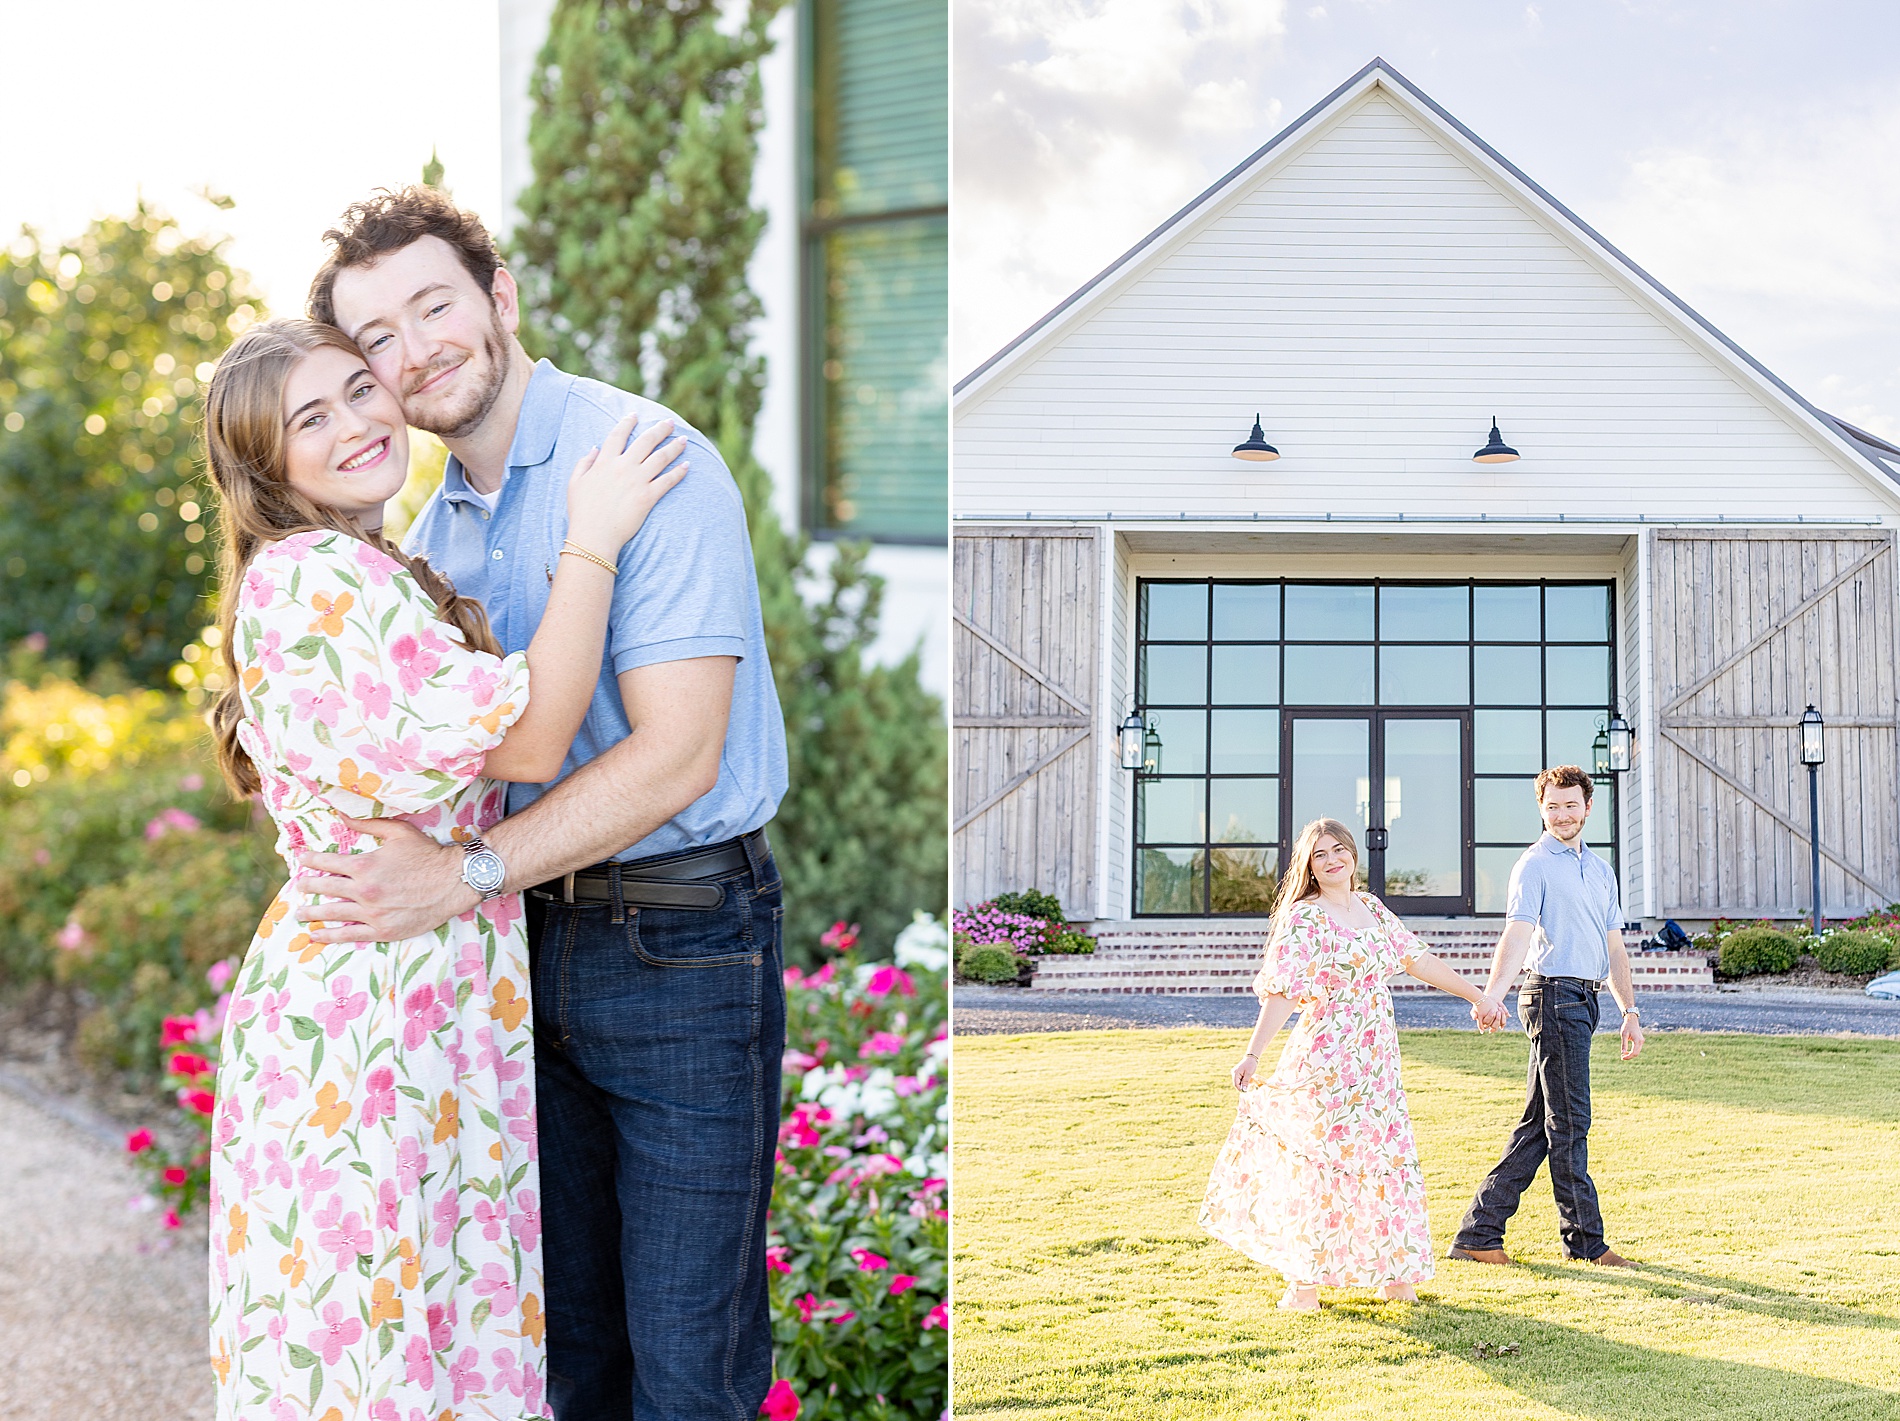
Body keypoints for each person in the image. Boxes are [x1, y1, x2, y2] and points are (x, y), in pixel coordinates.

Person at [288, 187, 791, 1420]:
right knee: (564, 1361)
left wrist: (458, 875)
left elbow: (677, 757)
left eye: (434, 306)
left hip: (677, 946)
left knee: (689, 1367)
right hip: (514, 962)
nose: (415, 351)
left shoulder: (640, 457)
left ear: (498, 297)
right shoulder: (428, 537)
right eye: (378, 342)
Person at [202, 318, 686, 1417]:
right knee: (380, 1339)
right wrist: (594, 535)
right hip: (372, 1010)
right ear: (265, 464)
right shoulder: (317, 575)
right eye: (307, 419)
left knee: (422, 1328)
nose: (355, 424)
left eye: (359, 389)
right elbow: (527, 741)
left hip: (418, 985)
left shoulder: (375, 562)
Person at [1200, 817, 1507, 1310]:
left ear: (1352, 855)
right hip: (1327, 1058)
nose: (1332, 860)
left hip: (1377, 1060)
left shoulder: (1372, 908)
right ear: (1310, 866)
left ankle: (1395, 1273)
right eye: (1320, 855)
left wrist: (1479, 996)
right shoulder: (1304, 917)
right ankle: (1303, 1283)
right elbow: (1281, 991)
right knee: (1322, 1162)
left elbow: (1418, 961)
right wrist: (1253, 1053)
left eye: (1338, 850)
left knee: (1384, 1157)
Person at [1448, 764, 1645, 1269]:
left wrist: (1630, 1010)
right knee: (1571, 1120)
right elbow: (1517, 935)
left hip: (1586, 999)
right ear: (1541, 809)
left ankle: (1479, 1233)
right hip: (1551, 995)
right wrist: (1492, 994)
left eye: (1569, 805)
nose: (1561, 814)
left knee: (1542, 1123)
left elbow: (1614, 944)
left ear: (1588, 807)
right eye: (1552, 806)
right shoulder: (1533, 865)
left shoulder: (1600, 870)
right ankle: (1586, 1243)